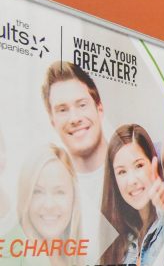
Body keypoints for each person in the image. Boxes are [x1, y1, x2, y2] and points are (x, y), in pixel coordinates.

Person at [99, 125, 164, 266]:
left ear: (152, 163)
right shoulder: (116, 244)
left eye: (139, 166)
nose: (132, 180)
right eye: (121, 172)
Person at [42, 62, 113, 249]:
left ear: (99, 108)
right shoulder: (51, 195)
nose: (74, 119)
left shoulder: (138, 167)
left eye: (81, 105)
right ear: (53, 121)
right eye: (62, 110)